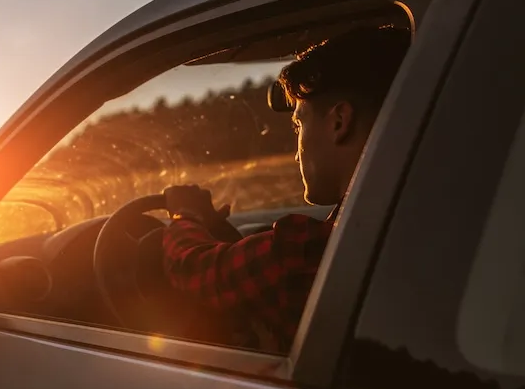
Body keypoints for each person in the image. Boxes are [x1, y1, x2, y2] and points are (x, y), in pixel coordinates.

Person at [160, 25, 410, 351]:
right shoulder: (406, 220)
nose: (297, 149)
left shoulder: (306, 251)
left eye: (298, 124)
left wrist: (184, 215)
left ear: (339, 122)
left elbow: (195, 271)